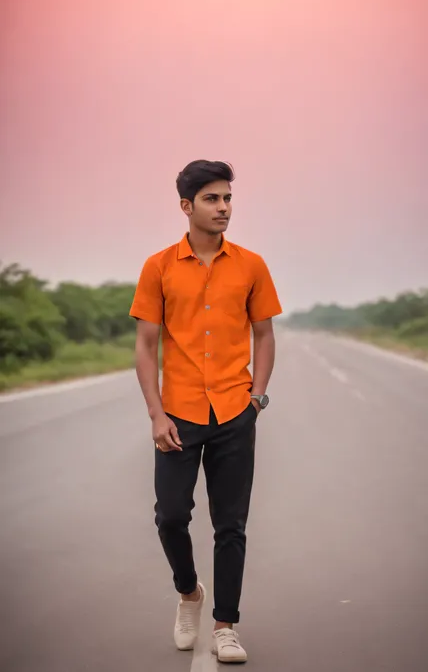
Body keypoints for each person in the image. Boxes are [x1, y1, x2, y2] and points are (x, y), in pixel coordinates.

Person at [129, 160, 282, 663]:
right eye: (213, 199)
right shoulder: (159, 266)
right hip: (179, 413)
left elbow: (264, 333)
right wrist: (156, 413)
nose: (223, 208)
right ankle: (189, 592)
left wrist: (256, 398)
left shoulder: (252, 264)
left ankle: (225, 626)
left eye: (228, 198)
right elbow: (146, 345)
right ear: (186, 206)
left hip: (235, 412)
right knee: (171, 516)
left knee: (230, 525)